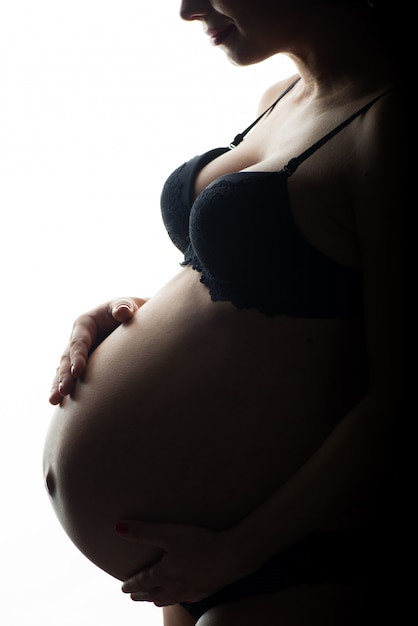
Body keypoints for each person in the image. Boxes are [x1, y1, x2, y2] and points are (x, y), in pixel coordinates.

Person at [43, 1, 407, 624]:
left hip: (277, 553)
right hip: (198, 558)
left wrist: (238, 553)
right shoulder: (280, 95)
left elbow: (403, 395)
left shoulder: (395, 120)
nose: (187, 9)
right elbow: (278, 300)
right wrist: (126, 313)